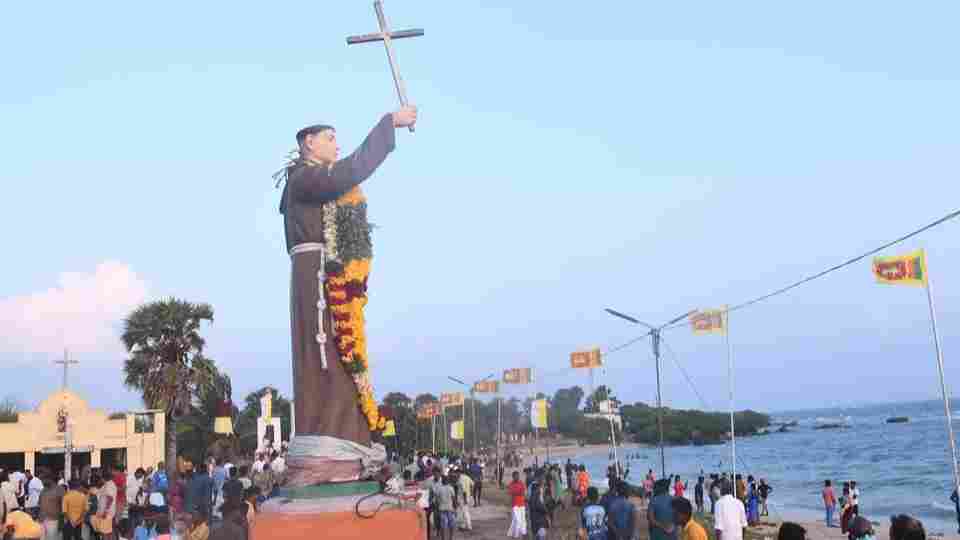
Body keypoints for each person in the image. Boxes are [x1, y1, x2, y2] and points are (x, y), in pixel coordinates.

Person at [93, 468, 118, 540]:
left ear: (103, 478)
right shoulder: (107, 484)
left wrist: (105, 512)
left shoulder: (109, 485)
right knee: (107, 532)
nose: (99, 480)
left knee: (105, 533)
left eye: (100, 478)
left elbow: (110, 499)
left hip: (107, 514)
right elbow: (98, 492)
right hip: (106, 513)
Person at [506, 471, 527, 539]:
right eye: (515, 476)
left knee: (522, 520)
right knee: (517, 521)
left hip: (522, 504)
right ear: (513, 477)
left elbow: (523, 493)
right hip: (515, 505)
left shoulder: (521, 483)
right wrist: (509, 508)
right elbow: (510, 495)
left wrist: (517, 493)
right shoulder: (511, 484)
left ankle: (523, 533)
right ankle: (516, 536)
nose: (517, 477)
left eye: (518, 476)